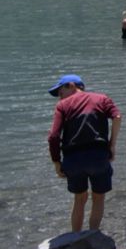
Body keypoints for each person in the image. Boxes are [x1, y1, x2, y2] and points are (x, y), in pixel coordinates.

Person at [47, 74, 121, 232]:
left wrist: (56, 162)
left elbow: (53, 136)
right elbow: (117, 117)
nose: (59, 98)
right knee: (98, 197)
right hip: (98, 157)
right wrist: (112, 144)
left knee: (79, 198)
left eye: (60, 93)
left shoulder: (63, 106)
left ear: (71, 86)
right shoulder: (102, 99)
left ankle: (76, 238)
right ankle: (93, 235)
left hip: (73, 160)